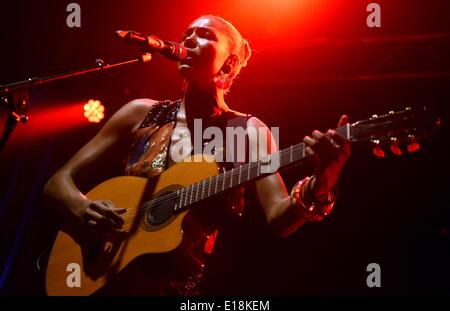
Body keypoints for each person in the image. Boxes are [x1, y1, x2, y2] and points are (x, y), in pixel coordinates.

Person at [43, 15, 350, 295]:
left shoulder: (249, 131)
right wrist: (82, 208)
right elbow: (58, 182)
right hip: (106, 276)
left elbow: (278, 217)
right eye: (186, 33)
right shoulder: (140, 113)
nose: (189, 39)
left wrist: (321, 185)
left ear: (228, 65)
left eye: (204, 35)